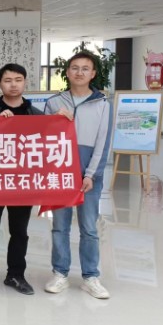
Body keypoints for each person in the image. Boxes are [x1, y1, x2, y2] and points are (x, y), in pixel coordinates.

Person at [44, 51, 112, 299]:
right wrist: (54, 119)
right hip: (60, 174)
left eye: (85, 68)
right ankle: (60, 273)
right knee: (59, 227)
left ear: (93, 73)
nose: (79, 72)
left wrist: (91, 174)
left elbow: (103, 142)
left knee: (89, 228)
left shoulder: (102, 104)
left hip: (88, 177)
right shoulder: (54, 102)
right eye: (74, 67)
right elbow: (44, 138)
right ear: (67, 72)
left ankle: (91, 277)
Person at [0, 63, 42, 296]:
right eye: (7, 80)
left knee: (19, 231)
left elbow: (45, 145)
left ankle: (16, 274)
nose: (13, 85)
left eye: (18, 80)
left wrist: (63, 121)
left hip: (22, 181)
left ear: (25, 82)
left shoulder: (36, 114)